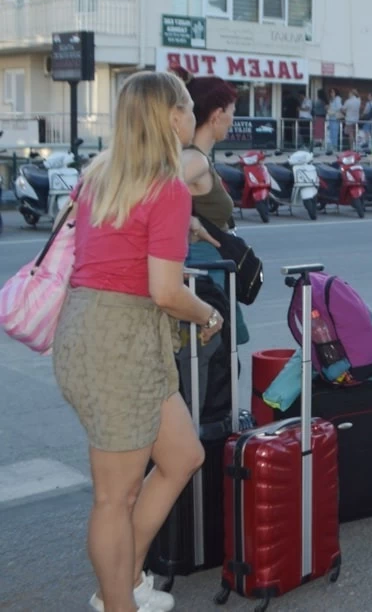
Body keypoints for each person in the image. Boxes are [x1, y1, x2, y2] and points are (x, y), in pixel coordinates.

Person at [53, 71, 223, 612]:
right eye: (189, 105)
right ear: (172, 117)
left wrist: (180, 232)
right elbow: (166, 291)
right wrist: (207, 313)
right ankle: (116, 603)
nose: (193, 114)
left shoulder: (100, 175)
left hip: (100, 332)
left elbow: (116, 250)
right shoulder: (167, 187)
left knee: (182, 456)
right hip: (119, 341)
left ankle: (124, 583)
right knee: (115, 495)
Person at [176, 68, 242, 410]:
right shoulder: (193, 161)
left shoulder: (199, 159)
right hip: (203, 273)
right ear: (217, 115)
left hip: (211, 269)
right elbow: (153, 193)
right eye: (231, 111)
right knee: (209, 365)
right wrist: (187, 219)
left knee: (215, 362)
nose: (233, 119)